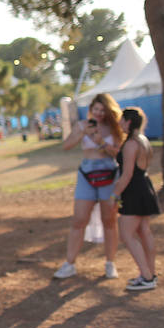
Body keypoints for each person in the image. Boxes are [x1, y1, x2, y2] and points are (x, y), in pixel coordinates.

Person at [53, 93, 124, 280]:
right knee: (79, 219)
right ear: (91, 109)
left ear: (109, 111)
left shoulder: (115, 128)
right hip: (87, 174)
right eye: (96, 109)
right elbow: (66, 145)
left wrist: (101, 143)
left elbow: (119, 153)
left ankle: (110, 263)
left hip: (109, 174)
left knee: (109, 220)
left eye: (103, 110)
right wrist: (81, 133)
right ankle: (70, 263)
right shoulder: (82, 125)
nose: (99, 113)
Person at [112, 107, 161, 291]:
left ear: (128, 122)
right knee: (143, 231)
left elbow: (127, 174)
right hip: (144, 187)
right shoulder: (143, 140)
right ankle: (149, 274)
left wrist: (114, 194)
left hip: (134, 191)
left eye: (121, 120)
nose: (119, 123)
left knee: (127, 234)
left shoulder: (132, 144)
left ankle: (147, 276)